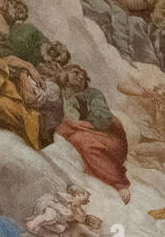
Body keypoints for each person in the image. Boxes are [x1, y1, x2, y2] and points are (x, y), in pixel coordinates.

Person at [55, 65, 131, 201]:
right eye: (76, 73)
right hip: (75, 133)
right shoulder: (58, 94)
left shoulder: (93, 94)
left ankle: (119, 183)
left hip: (109, 138)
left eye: (83, 75)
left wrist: (81, 124)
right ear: (64, 75)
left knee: (83, 141)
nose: (80, 76)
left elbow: (103, 121)